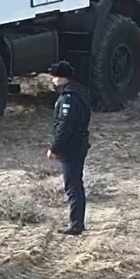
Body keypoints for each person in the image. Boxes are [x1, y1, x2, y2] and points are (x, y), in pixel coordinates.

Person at [44, 60, 91, 237]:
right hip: (78, 145)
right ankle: (77, 221)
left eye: (55, 77)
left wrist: (54, 147)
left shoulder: (67, 99)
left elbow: (65, 125)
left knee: (72, 186)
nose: (53, 81)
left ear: (63, 78)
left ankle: (76, 224)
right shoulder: (78, 93)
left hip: (71, 148)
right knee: (76, 184)